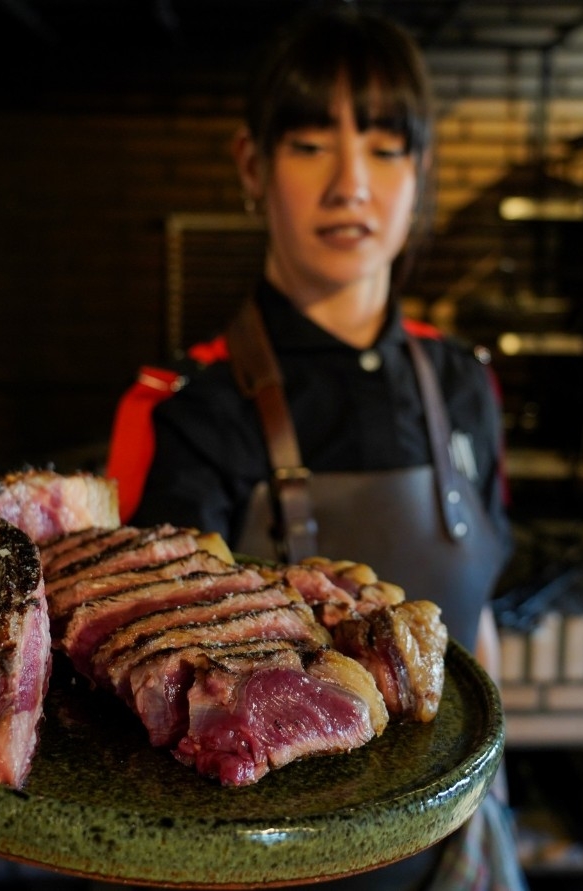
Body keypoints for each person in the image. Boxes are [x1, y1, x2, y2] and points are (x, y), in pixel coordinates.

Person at [105, 6, 526, 889]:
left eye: (383, 145)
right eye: (308, 145)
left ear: (419, 172)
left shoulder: (464, 386)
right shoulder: (186, 412)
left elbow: (476, 624)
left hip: (457, 854)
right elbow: (135, 726)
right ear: (252, 168)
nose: (351, 184)